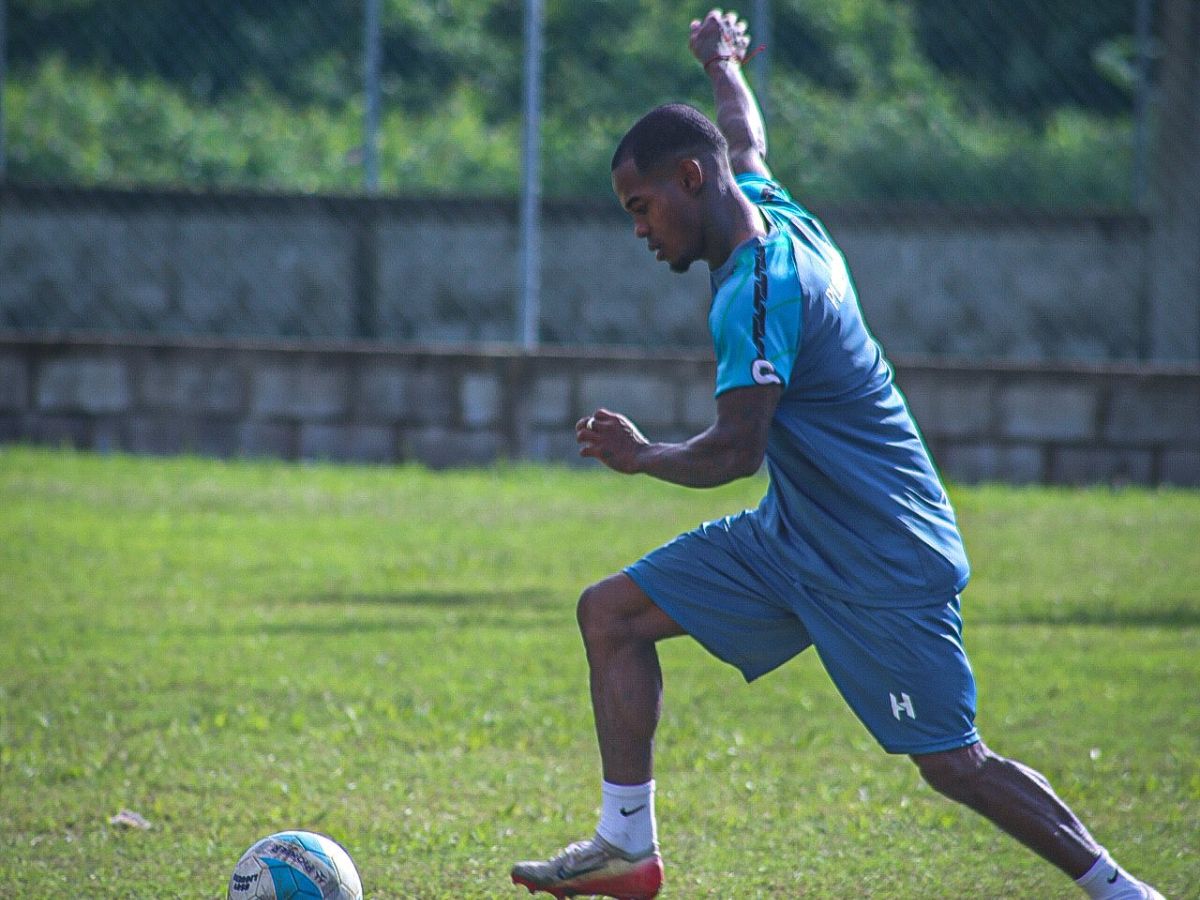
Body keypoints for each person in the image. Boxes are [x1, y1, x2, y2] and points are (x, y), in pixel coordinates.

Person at [511, 9, 1163, 900]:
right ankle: (627, 850)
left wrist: (641, 456)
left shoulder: (759, 291)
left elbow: (736, 449)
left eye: (641, 206)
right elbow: (745, 131)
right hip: (794, 538)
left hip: (878, 553)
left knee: (955, 764)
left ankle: (1127, 893)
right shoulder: (767, 202)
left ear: (690, 181)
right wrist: (722, 61)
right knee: (611, 615)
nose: (638, 228)